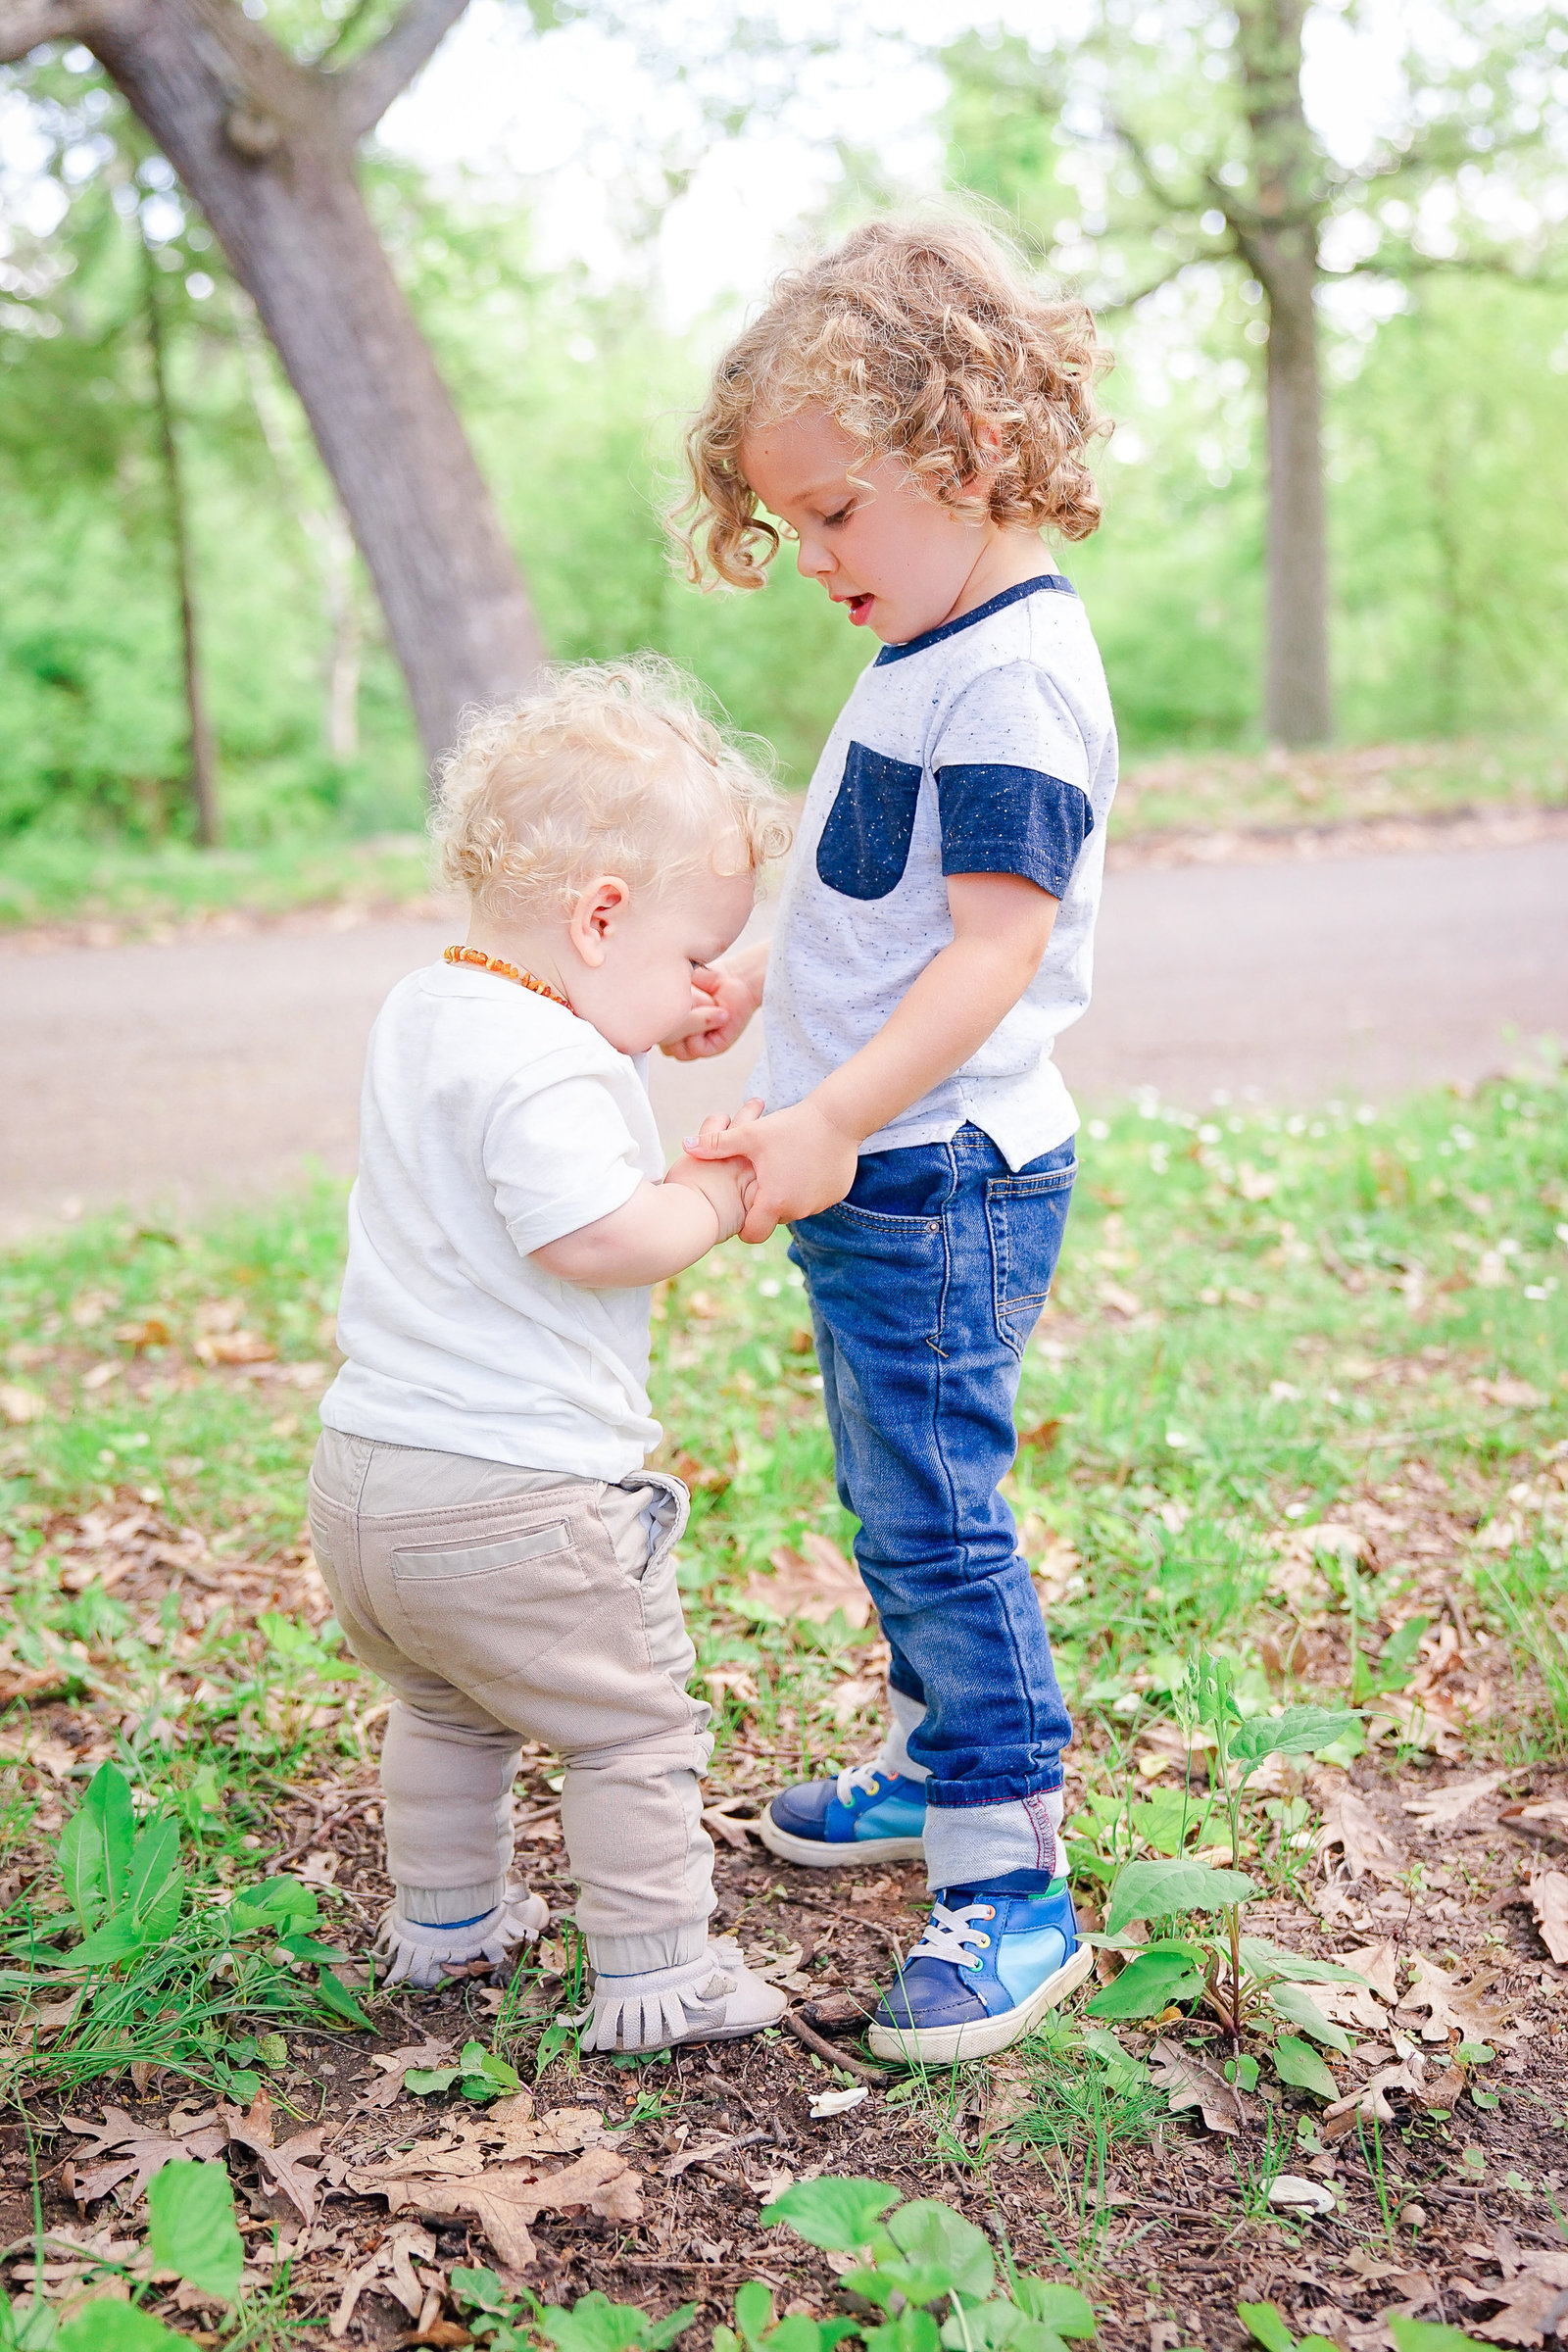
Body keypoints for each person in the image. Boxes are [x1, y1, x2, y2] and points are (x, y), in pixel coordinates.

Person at [668, 215, 1117, 2062]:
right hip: (885, 1166)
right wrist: (755, 984)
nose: (815, 561)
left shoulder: (1009, 676)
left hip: (940, 1177)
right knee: (889, 1493)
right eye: (791, 528)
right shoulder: (928, 643)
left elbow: (998, 951)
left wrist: (836, 1116)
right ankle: (941, 1764)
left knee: (936, 1515)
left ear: (977, 455)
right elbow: (883, 898)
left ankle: (1008, 1877)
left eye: (838, 512)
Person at [307, 659, 792, 2054]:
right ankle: (659, 1975)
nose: (701, 985)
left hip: (369, 1489)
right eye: (689, 957)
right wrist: (713, 1193)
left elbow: (528, 1086)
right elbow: (591, 1229)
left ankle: (444, 1929)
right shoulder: (556, 1065)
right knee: (628, 1731)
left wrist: (657, 1022)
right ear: (600, 917)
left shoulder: (432, 1007)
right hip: (518, 1501)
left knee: (450, 1714)